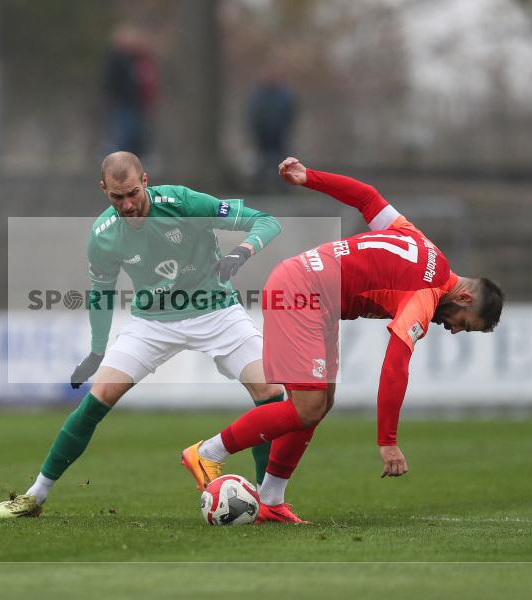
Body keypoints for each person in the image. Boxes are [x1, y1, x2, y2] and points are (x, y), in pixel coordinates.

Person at [182, 157, 505, 524]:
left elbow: (367, 197)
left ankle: (270, 498)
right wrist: (388, 441)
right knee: (306, 405)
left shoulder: (421, 242)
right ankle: (208, 452)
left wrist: (310, 178)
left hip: (317, 297)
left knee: (320, 402)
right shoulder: (425, 294)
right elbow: (395, 366)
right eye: (466, 323)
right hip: (301, 290)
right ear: (464, 299)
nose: (457, 329)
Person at [0, 151, 284, 518]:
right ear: (103, 190)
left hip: (216, 311)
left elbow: (266, 221)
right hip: (152, 323)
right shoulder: (103, 235)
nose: (127, 205)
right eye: (117, 197)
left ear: (145, 181)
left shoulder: (184, 202)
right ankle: (35, 496)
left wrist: (241, 252)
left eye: (132, 193)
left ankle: (270, 502)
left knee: (272, 394)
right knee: (96, 401)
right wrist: (97, 352)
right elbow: (101, 293)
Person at [102, 25, 158, 155]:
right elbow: (111, 82)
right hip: (124, 102)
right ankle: (119, 160)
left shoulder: (136, 59)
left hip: (137, 102)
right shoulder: (116, 60)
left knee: (136, 133)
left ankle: (133, 159)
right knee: (126, 132)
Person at [247, 64, 297, 190]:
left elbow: (290, 112)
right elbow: (253, 113)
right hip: (262, 134)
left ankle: (282, 185)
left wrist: (284, 126)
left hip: (279, 133)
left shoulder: (284, 94)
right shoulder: (259, 94)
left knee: (281, 159)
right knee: (261, 160)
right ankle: (259, 186)